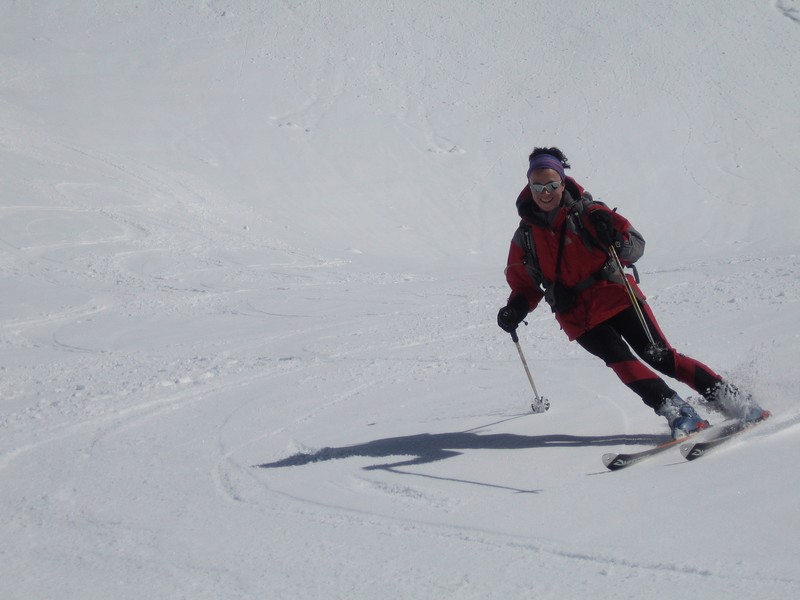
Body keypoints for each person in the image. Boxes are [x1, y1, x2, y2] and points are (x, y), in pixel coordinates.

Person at [497, 146, 768, 438]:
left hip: (617, 297)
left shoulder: (590, 212)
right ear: (529, 186)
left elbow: (635, 246)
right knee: (622, 363)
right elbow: (524, 282)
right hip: (576, 313)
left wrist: (614, 237)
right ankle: (679, 413)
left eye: (551, 184)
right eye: (537, 186)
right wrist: (516, 309)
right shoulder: (525, 235)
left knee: (661, 356)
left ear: (563, 182)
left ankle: (732, 398)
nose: (545, 192)